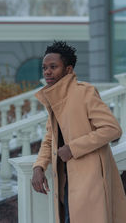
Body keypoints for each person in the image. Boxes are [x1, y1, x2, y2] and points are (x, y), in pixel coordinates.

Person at [32, 41, 126, 223]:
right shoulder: (55, 99)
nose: (47, 72)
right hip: (65, 179)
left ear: (68, 69)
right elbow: (50, 138)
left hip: (89, 179)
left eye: (53, 67)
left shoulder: (84, 93)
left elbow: (112, 128)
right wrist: (39, 166)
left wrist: (73, 148)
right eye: (44, 68)